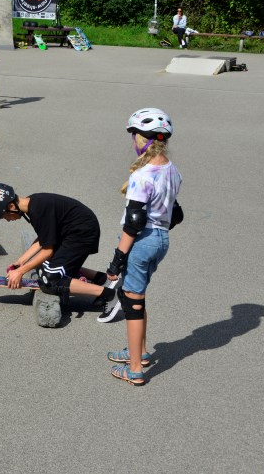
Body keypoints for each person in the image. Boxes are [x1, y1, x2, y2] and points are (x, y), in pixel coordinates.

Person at [100, 108, 182, 386]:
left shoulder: (142, 175)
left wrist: (116, 260)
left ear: (142, 139)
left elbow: (133, 223)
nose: (132, 139)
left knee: (131, 302)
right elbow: (176, 213)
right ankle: (141, 352)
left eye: (133, 134)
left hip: (143, 240)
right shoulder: (172, 170)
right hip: (161, 239)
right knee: (137, 295)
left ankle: (135, 369)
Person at [0, 183, 117, 308]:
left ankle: (110, 295)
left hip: (82, 235)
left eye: (4, 216)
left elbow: (48, 251)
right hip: (73, 231)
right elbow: (43, 239)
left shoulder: (38, 210)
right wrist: (20, 262)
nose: (7, 220)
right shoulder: (33, 204)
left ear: (11, 207)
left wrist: (20, 271)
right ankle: (102, 279)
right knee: (45, 266)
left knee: (50, 281)